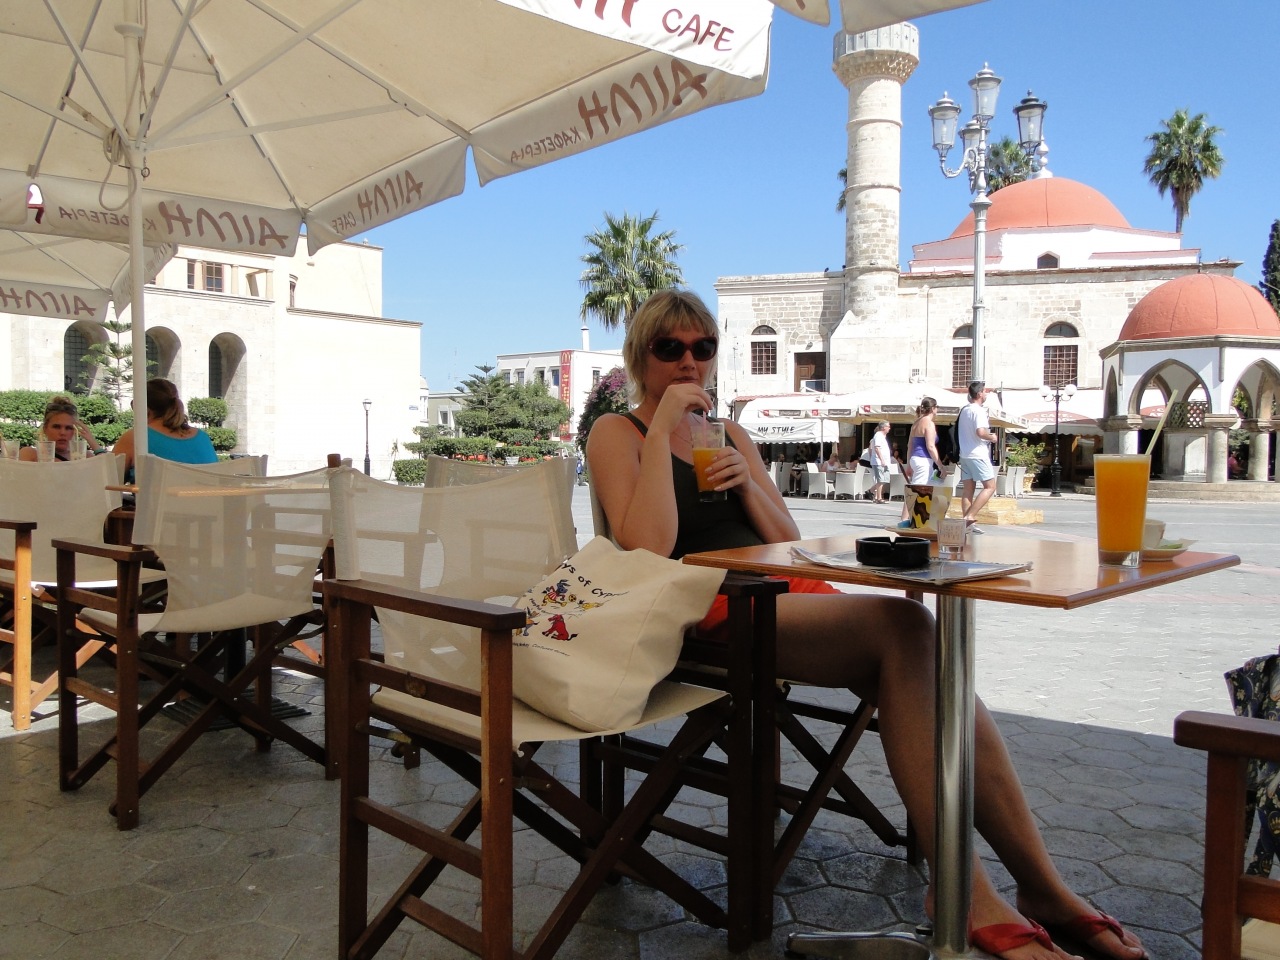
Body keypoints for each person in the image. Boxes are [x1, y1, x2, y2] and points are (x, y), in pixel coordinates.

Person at [586, 289, 1145, 960]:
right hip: (706, 604)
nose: (688, 361)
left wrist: (747, 483)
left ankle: (1037, 886)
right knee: (906, 630)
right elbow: (647, 547)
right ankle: (970, 891)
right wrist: (661, 431)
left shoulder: (730, 435)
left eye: (701, 347)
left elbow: (786, 537)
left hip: (784, 590)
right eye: (669, 348)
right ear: (640, 356)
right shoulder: (617, 432)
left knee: (924, 651)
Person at [112, 378, 219, 476]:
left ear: (145, 410)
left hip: (157, 492)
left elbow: (108, 479)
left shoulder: (136, 438)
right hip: (207, 492)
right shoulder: (202, 437)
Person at [957, 380, 999, 534]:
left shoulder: (964, 410)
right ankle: (970, 517)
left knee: (968, 490)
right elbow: (980, 432)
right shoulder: (979, 411)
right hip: (977, 453)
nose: (986, 394)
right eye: (985, 391)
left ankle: (967, 525)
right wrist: (992, 437)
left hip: (964, 454)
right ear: (980, 393)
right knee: (990, 486)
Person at [900, 397, 948, 525]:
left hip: (915, 459)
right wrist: (940, 465)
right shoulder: (929, 424)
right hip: (923, 460)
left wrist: (908, 464)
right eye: (937, 407)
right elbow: (930, 446)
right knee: (915, 490)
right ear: (933, 408)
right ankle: (904, 519)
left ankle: (925, 516)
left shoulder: (916, 423)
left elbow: (909, 445)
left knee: (924, 488)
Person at [17, 395, 104, 462]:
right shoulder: (31, 454)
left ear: (74, 431)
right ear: (45, 428)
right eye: (56, 427)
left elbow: (107, 472)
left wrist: (94, 444)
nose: (63, 432)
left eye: (68, 428)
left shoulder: (84, 457)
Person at [869, 420, 892, 503]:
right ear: (883, 427)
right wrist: (882, 460)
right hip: (879, 461)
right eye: (888, 426)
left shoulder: (882, 436)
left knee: (885, 479)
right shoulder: (878, 435)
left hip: (884, 462)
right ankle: (878, 498)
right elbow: (877, 448)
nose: (889, 428)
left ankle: (871, 490)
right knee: (881, 480)